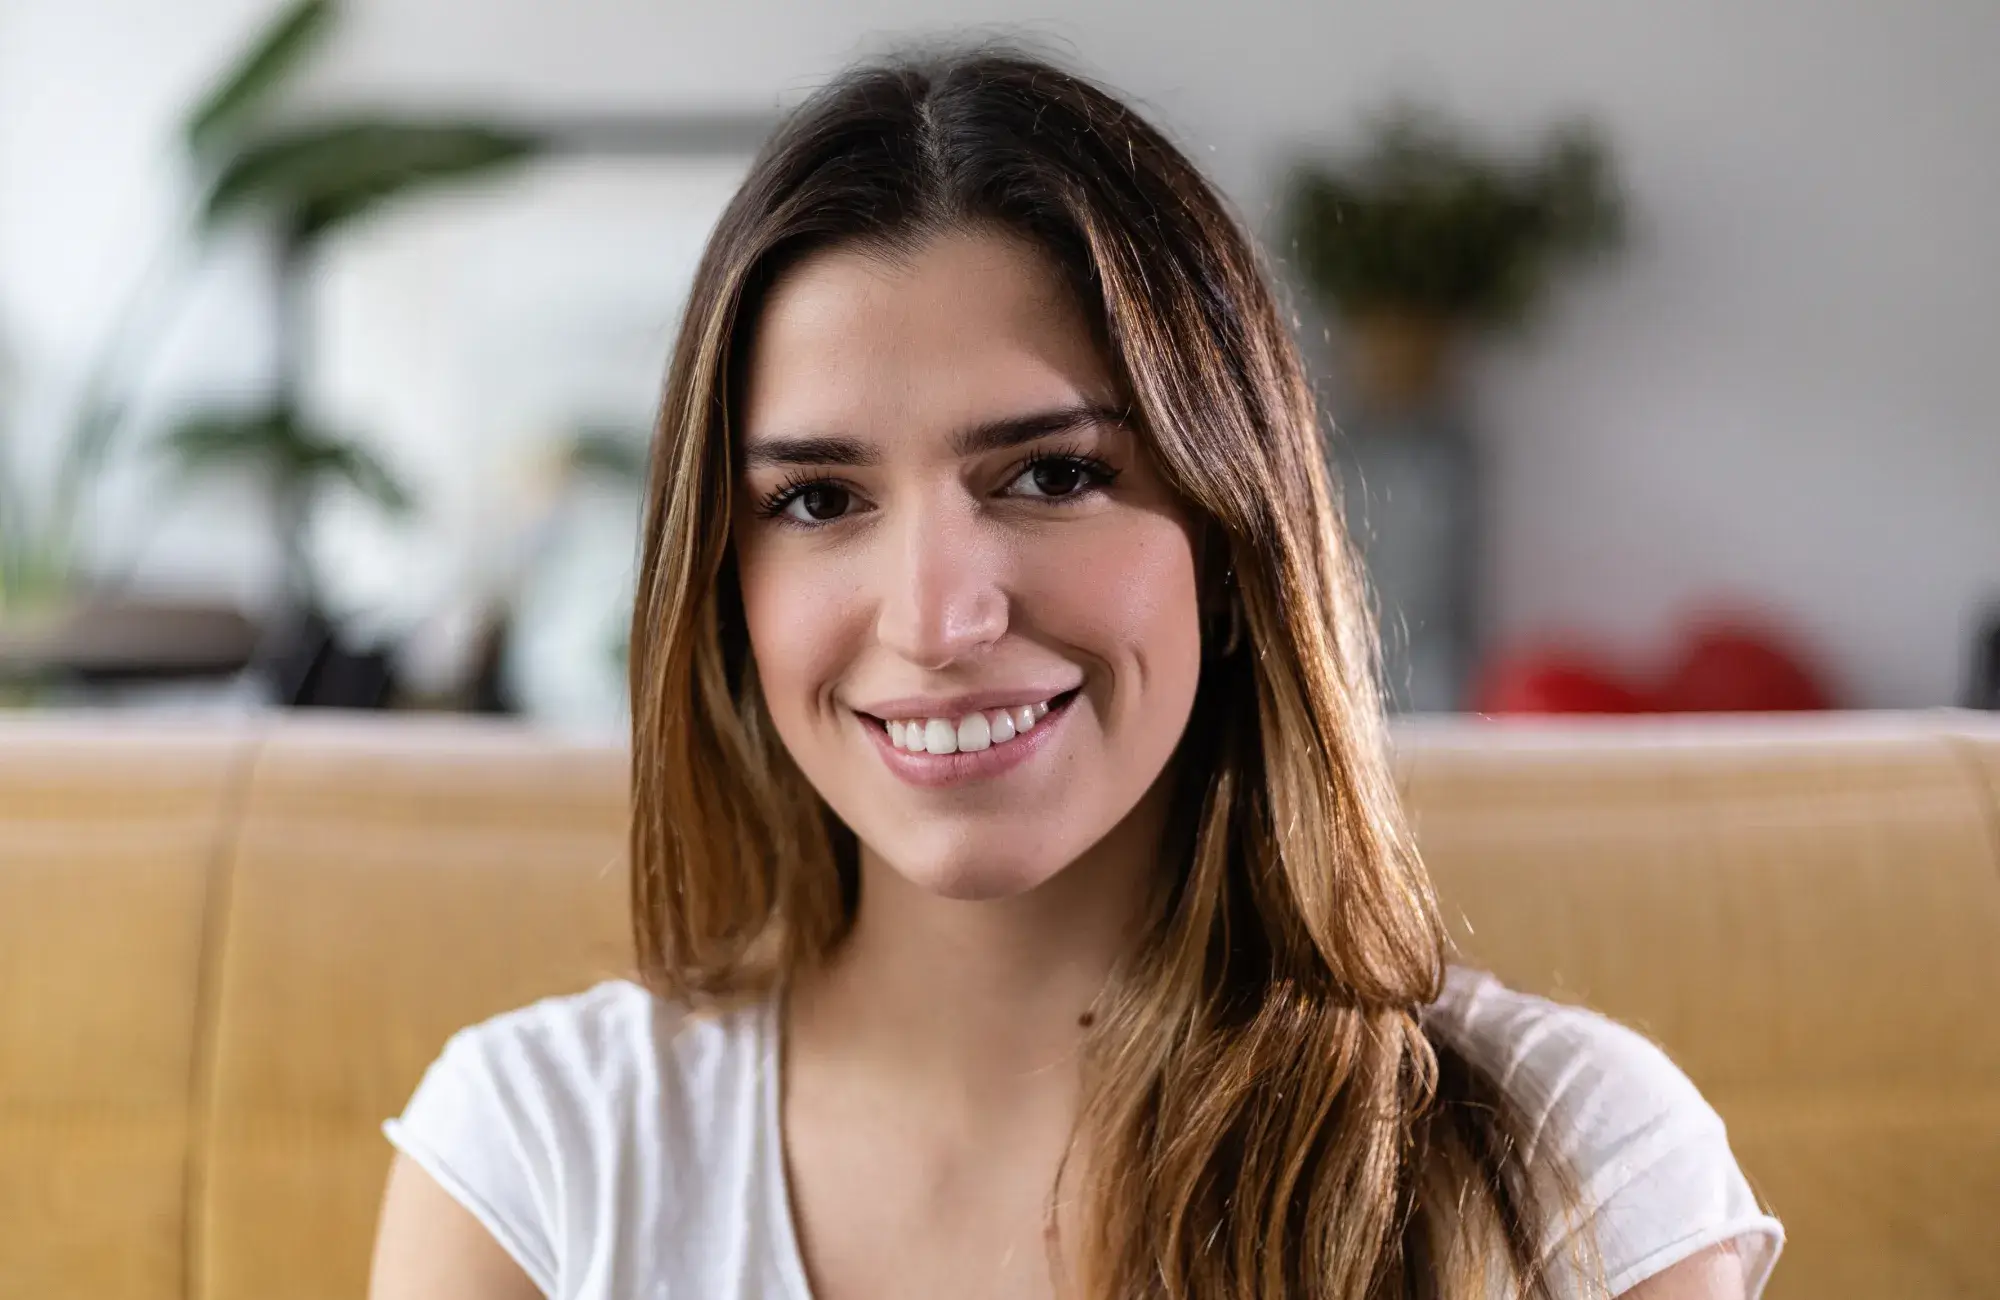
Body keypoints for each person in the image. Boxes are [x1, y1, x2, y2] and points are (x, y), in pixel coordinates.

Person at [367, 47, 1782, 1300]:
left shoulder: (1571, 1164)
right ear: (722, 591)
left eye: (1053, 474)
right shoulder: (541, 1162)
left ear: (1235, 542)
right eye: (815, 500)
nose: (938, 617)